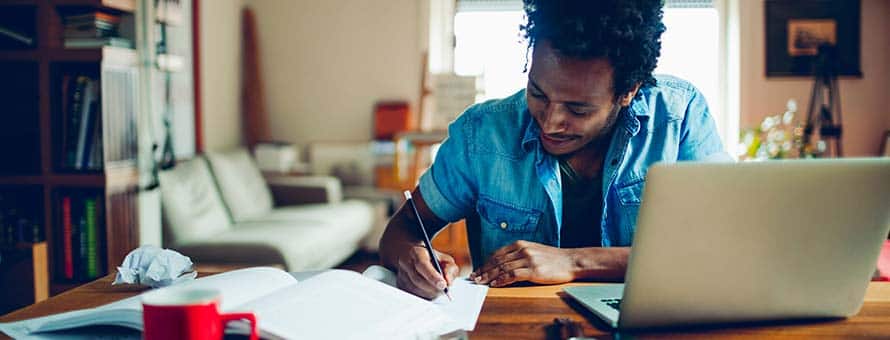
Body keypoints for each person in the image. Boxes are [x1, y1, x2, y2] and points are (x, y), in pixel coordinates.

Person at [379, 0, 731, 299]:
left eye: (578, 109)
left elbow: (725, 249)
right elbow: (400, 231)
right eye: (538, 93)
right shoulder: (482, 134)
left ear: (628, 92)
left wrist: (575, 262)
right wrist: (412, 256)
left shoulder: (679, 117)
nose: (550, 122)